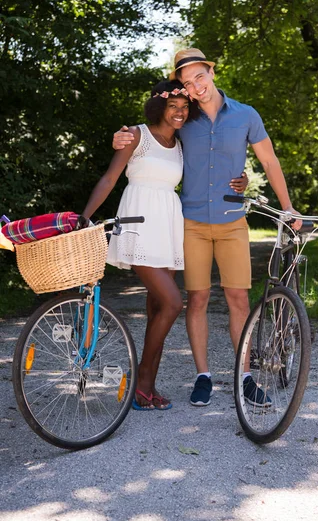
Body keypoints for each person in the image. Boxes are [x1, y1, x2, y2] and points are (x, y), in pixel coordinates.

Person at [112, 49, 301, 408]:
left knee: (238, 300)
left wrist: (287, 206)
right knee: (196, 299)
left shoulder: (246, 115)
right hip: (192, 224)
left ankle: (244, 377)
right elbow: (150, 137)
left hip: (233, 223)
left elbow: (269, 160)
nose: (195, 87)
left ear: (211, 73)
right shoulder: (185, 118)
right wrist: (122, 137)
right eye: (186, 82)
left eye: (199, 77)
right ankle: (203, 377)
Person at [82, 78, 247, 411]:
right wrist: (84, 217)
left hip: (169, 226)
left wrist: (241, 179)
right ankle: (141, 381)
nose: (180, 113)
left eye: (185, 107)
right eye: (173, 106)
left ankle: (148, 389)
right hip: (138, 224)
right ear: (159, 106)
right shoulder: (137, 135)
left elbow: (211, 168)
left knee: (157, 307)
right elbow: (110, 177)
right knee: (173, 303)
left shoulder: (181, 143)